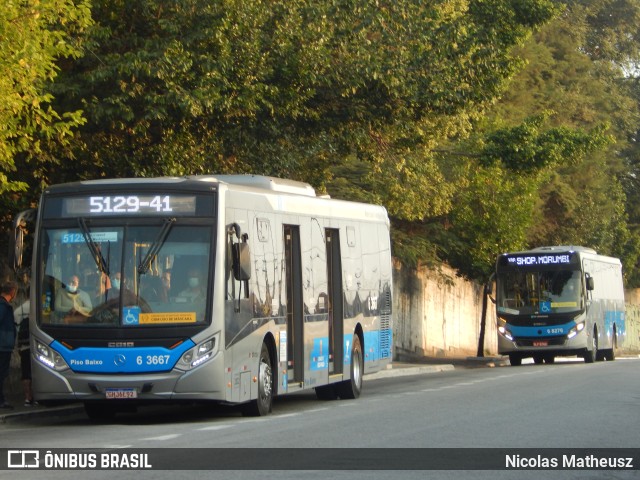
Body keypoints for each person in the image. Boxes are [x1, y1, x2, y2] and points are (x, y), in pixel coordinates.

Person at [15, 298, 36, 406]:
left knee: (26, 372)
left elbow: (16, 328)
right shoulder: (38, 308)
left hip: (24, 346)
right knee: (36, 371)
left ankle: (28, 397)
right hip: (36, 345)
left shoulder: (19, 310)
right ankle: (37, 396)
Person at [0, 281, 18, 409]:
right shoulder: (3, 306)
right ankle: (1, 400)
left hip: (4, 344)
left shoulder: (5, 305)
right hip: (2, 345)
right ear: (12, 292)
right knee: (1, 373)